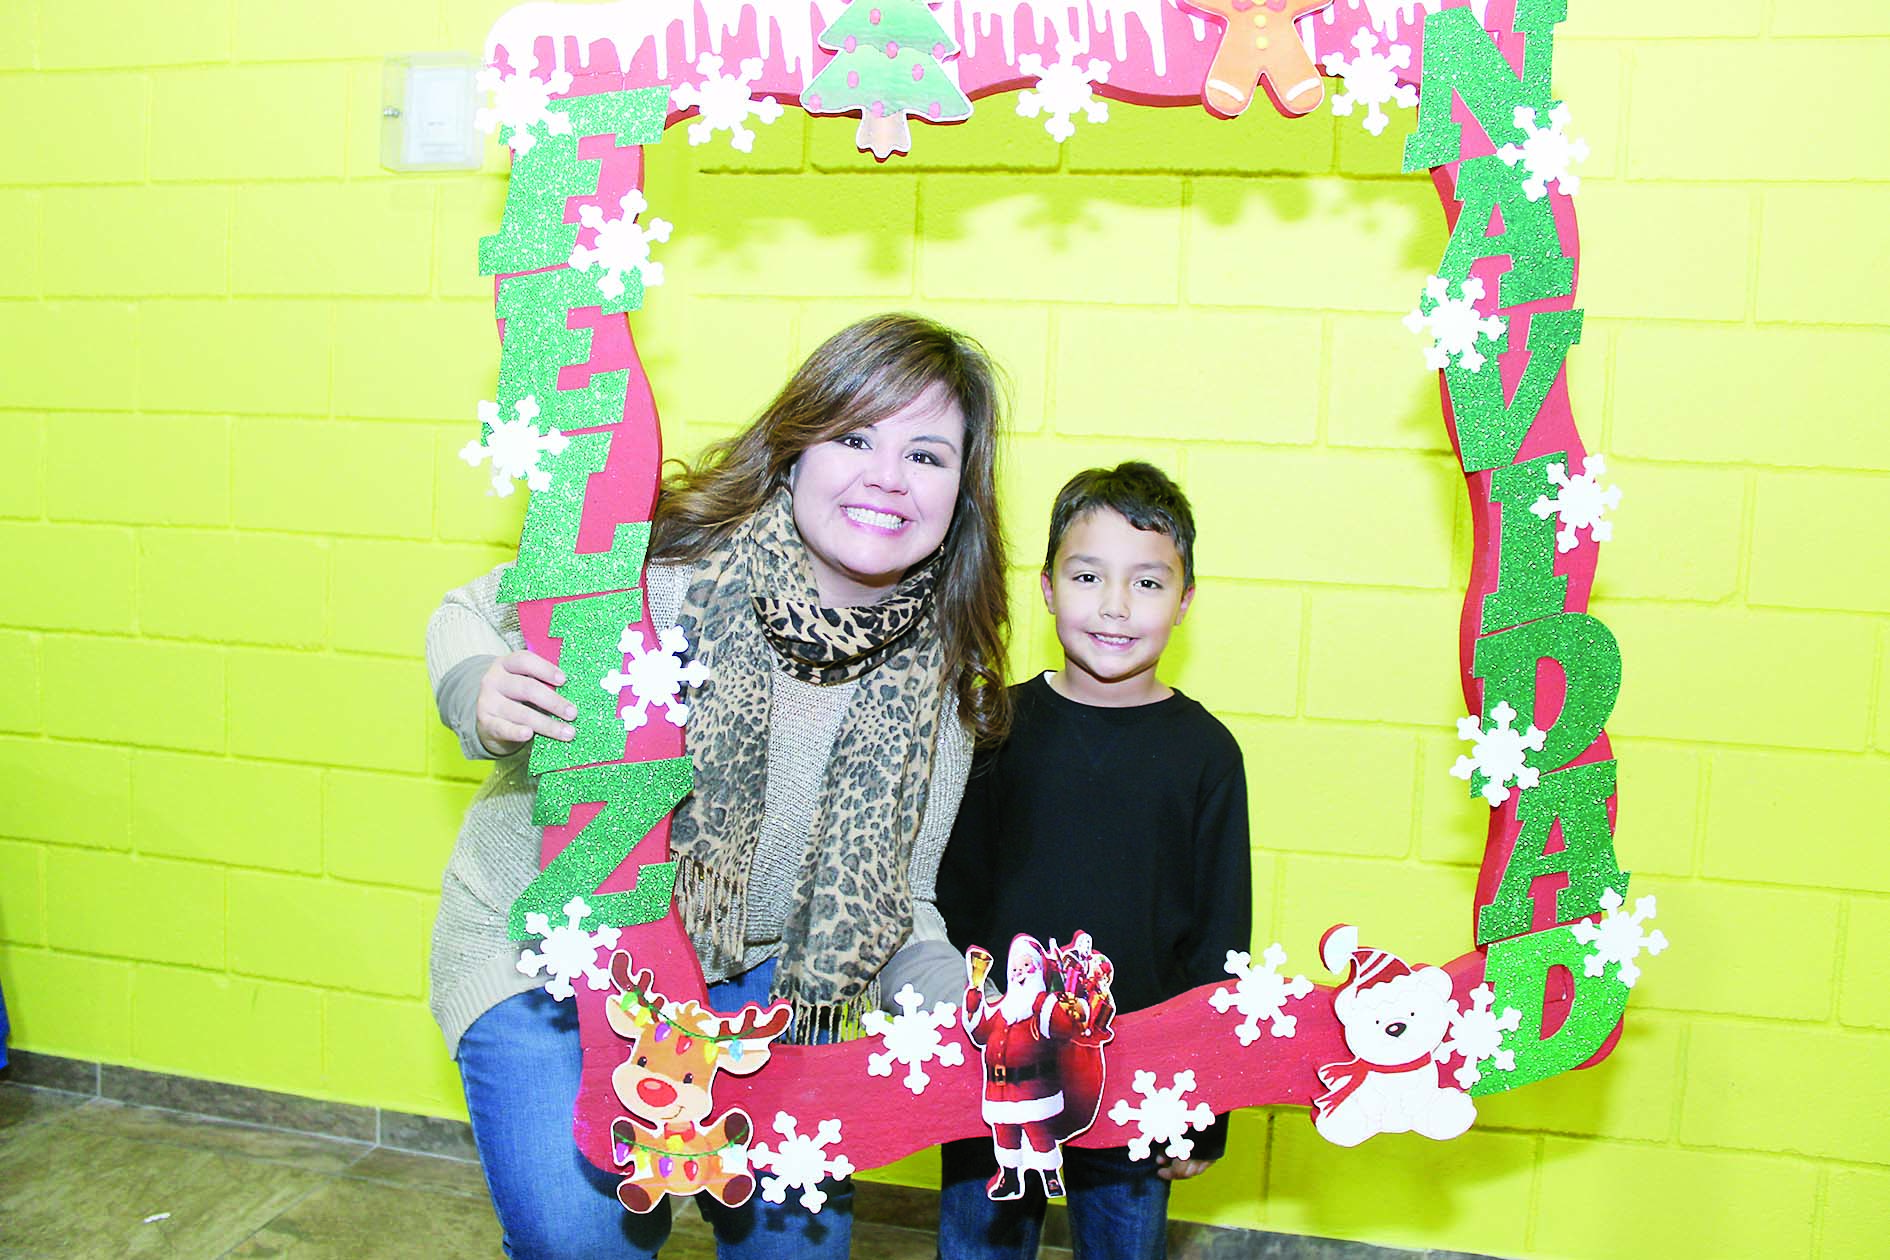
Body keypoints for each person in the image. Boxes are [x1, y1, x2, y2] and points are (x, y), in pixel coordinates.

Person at [425, 313, 1010, 1259]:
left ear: (960, 498)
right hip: (549, 958)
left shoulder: (938, 685)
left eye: (928, 454)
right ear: (794, 451)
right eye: (854, 437)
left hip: (769, 990)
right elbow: (470, 613)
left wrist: (977, 1020)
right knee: (585, 1246)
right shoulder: (666, 572)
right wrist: (476, 691)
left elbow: (900, 907)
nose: (888, 477)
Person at [934, 461, 1253, 1260]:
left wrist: (1204, 1102)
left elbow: (1221, 938)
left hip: (1142, 1085)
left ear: (1184, 602)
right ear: (1046, 588)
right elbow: (952, 906)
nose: (1115, 606)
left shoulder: (1206, 755)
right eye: (1088, 576)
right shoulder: (991, 727)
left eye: (1147, 583)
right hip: (997, 1079)